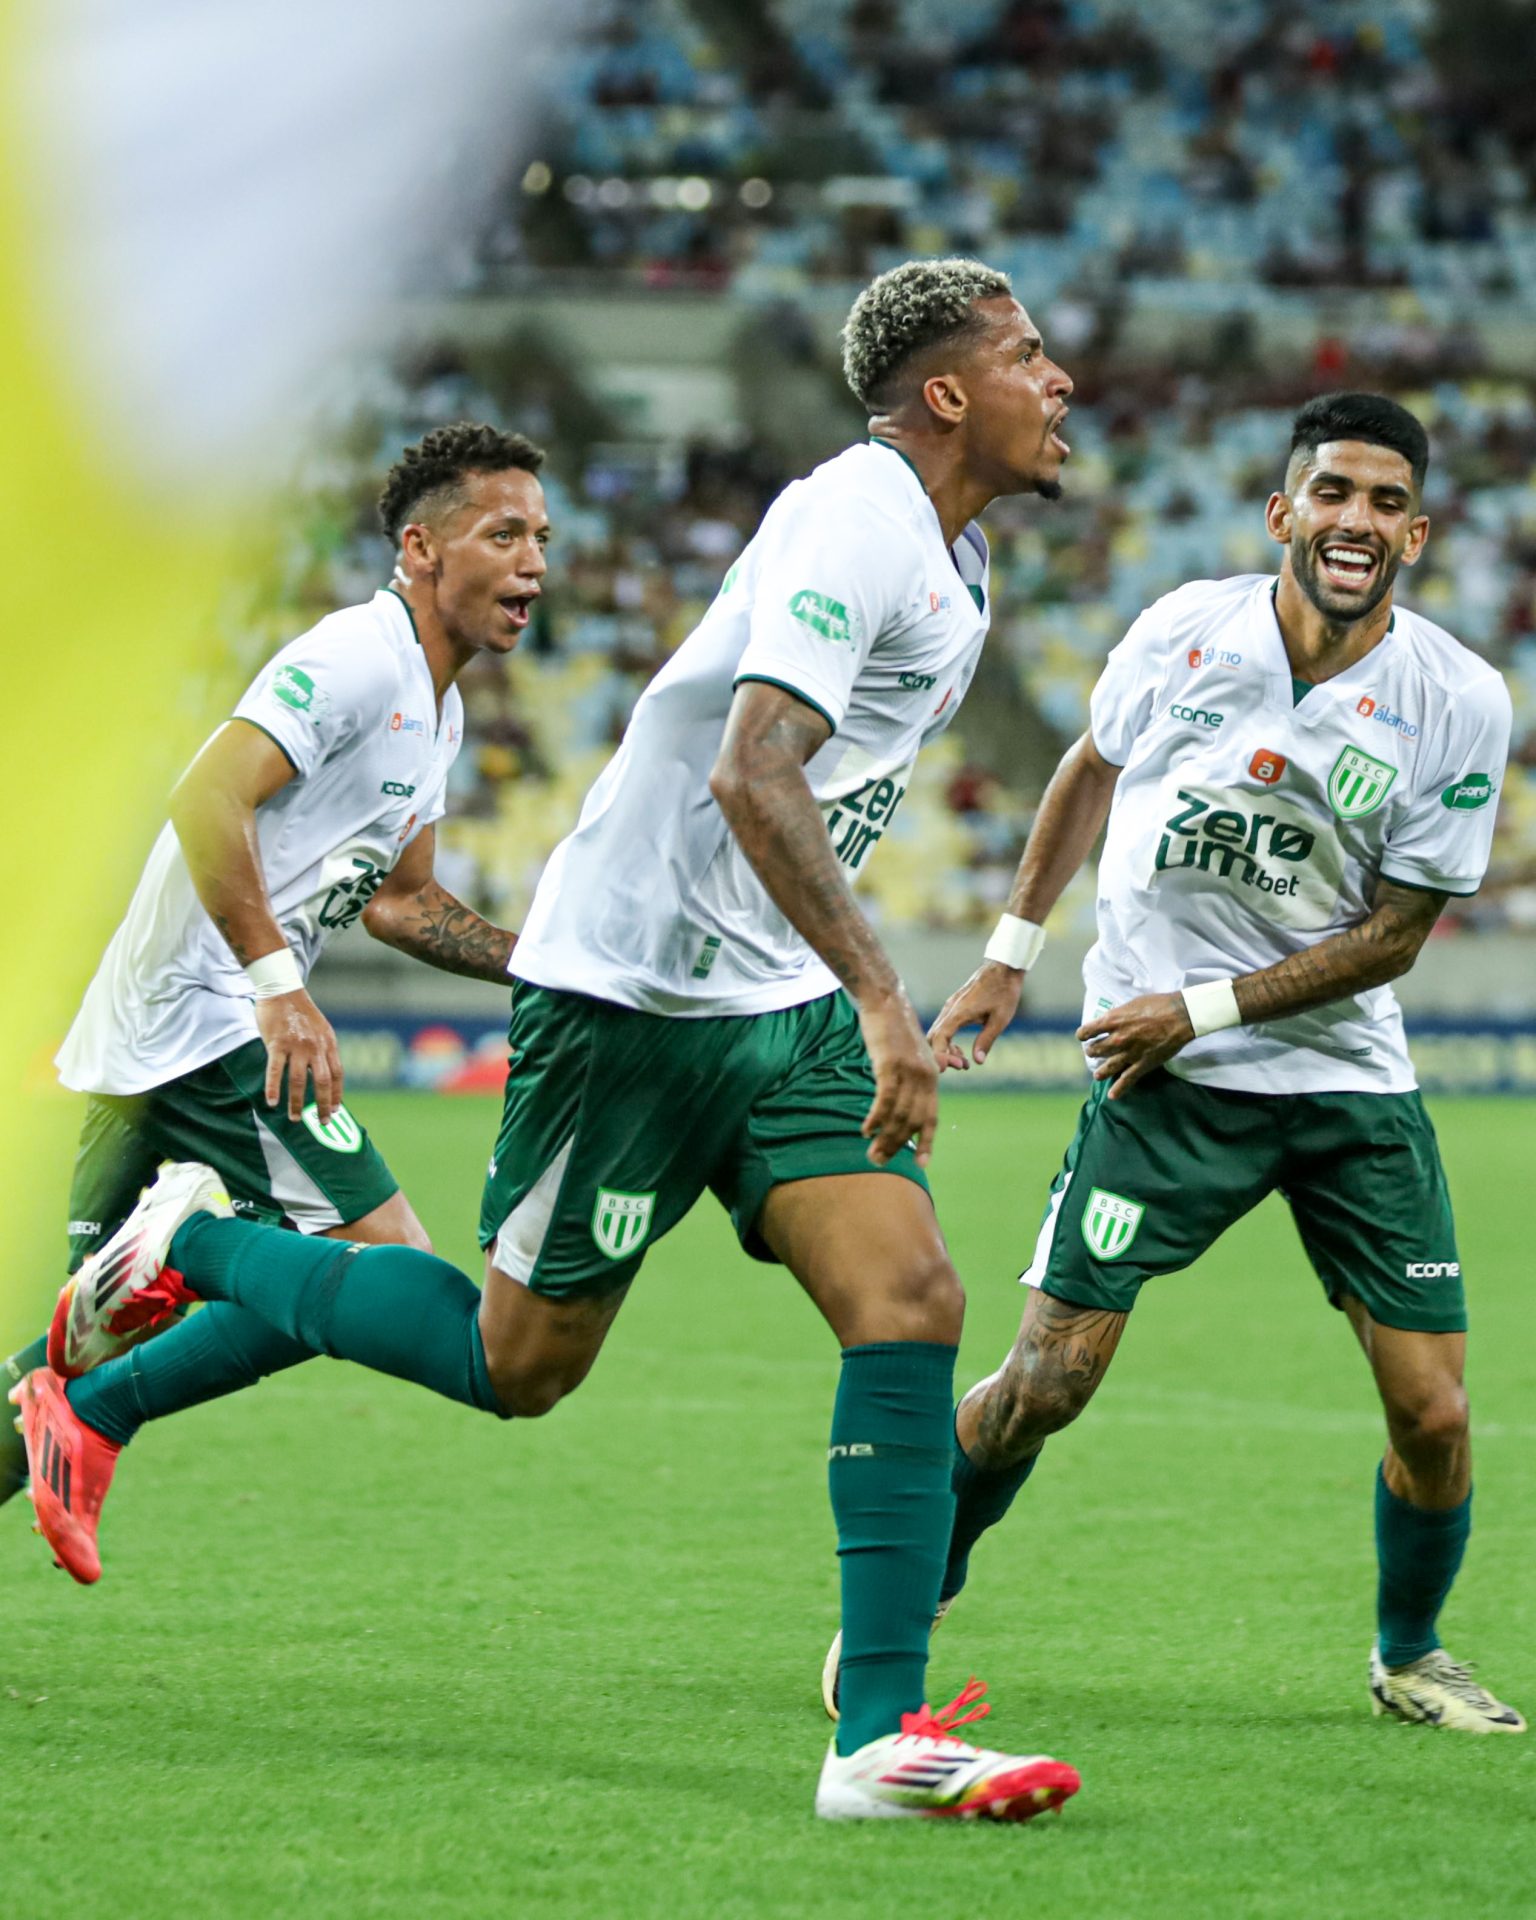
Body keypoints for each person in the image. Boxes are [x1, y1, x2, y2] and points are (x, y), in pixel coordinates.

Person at [16, 257, 1083, 1822]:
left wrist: (792, 981)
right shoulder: (855, 519)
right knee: (515, 1368)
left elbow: (408, 895)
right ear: (945, 392)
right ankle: (206, 1248)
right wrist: (877, 993)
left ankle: (876, 1738)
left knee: (913, 1299)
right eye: (1030, 355)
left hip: (761, 1004)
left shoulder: (958, 564)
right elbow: (752, 769)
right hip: (644, 1006)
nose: (1061, 382)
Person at [848, 391, 1521, 1736]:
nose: (1358, 522)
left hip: (1339, 1084)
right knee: (1046, 1382)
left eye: (1388, 504)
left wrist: (1199, 1008)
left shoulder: (1459, 699)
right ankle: (910, 1595)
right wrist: (1007, 951)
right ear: (1285, 513)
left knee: (1436, 1414)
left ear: (1419, 534)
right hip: (1165, 1089)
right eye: (1334, 494)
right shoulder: (1184, 632)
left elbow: (1395, 936)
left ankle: (1410, 1654)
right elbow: (1088, 772)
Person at [2, 421, 543, 1509]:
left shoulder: (435, 710)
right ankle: (179, 1251)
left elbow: (402, 901)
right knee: (384, 1264)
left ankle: (142, 1291)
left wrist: (553, 970)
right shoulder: (357, 657)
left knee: (75, 1351)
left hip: (161, 1031)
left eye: (543, 535)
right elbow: (205, 797)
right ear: (422, 548)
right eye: (504, 532)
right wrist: (278, 988)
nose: (536, 560)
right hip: (207, 1019)